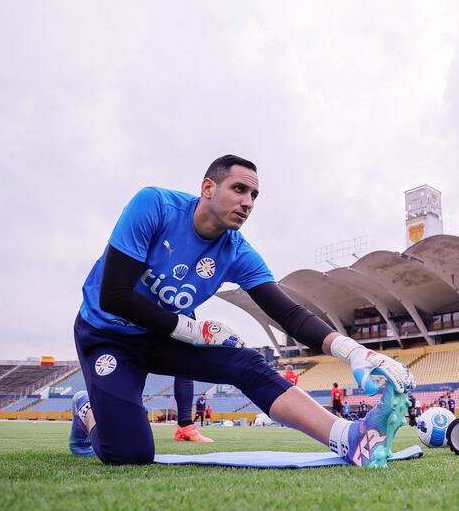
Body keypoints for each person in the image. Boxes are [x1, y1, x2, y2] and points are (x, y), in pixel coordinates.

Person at [66, 154, 415, 467]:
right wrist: (192, 330)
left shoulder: (238, 252)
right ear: (207, 187)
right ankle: (88, 410)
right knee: (130, 455)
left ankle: (348, 438)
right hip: (107, 333)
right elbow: (114, 295)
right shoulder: (154, 206)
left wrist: (351, 351)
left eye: (254, 196)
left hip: (161, 335)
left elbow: (290, 314)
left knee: (247, 363)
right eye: (238, 189)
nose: (247, 202)